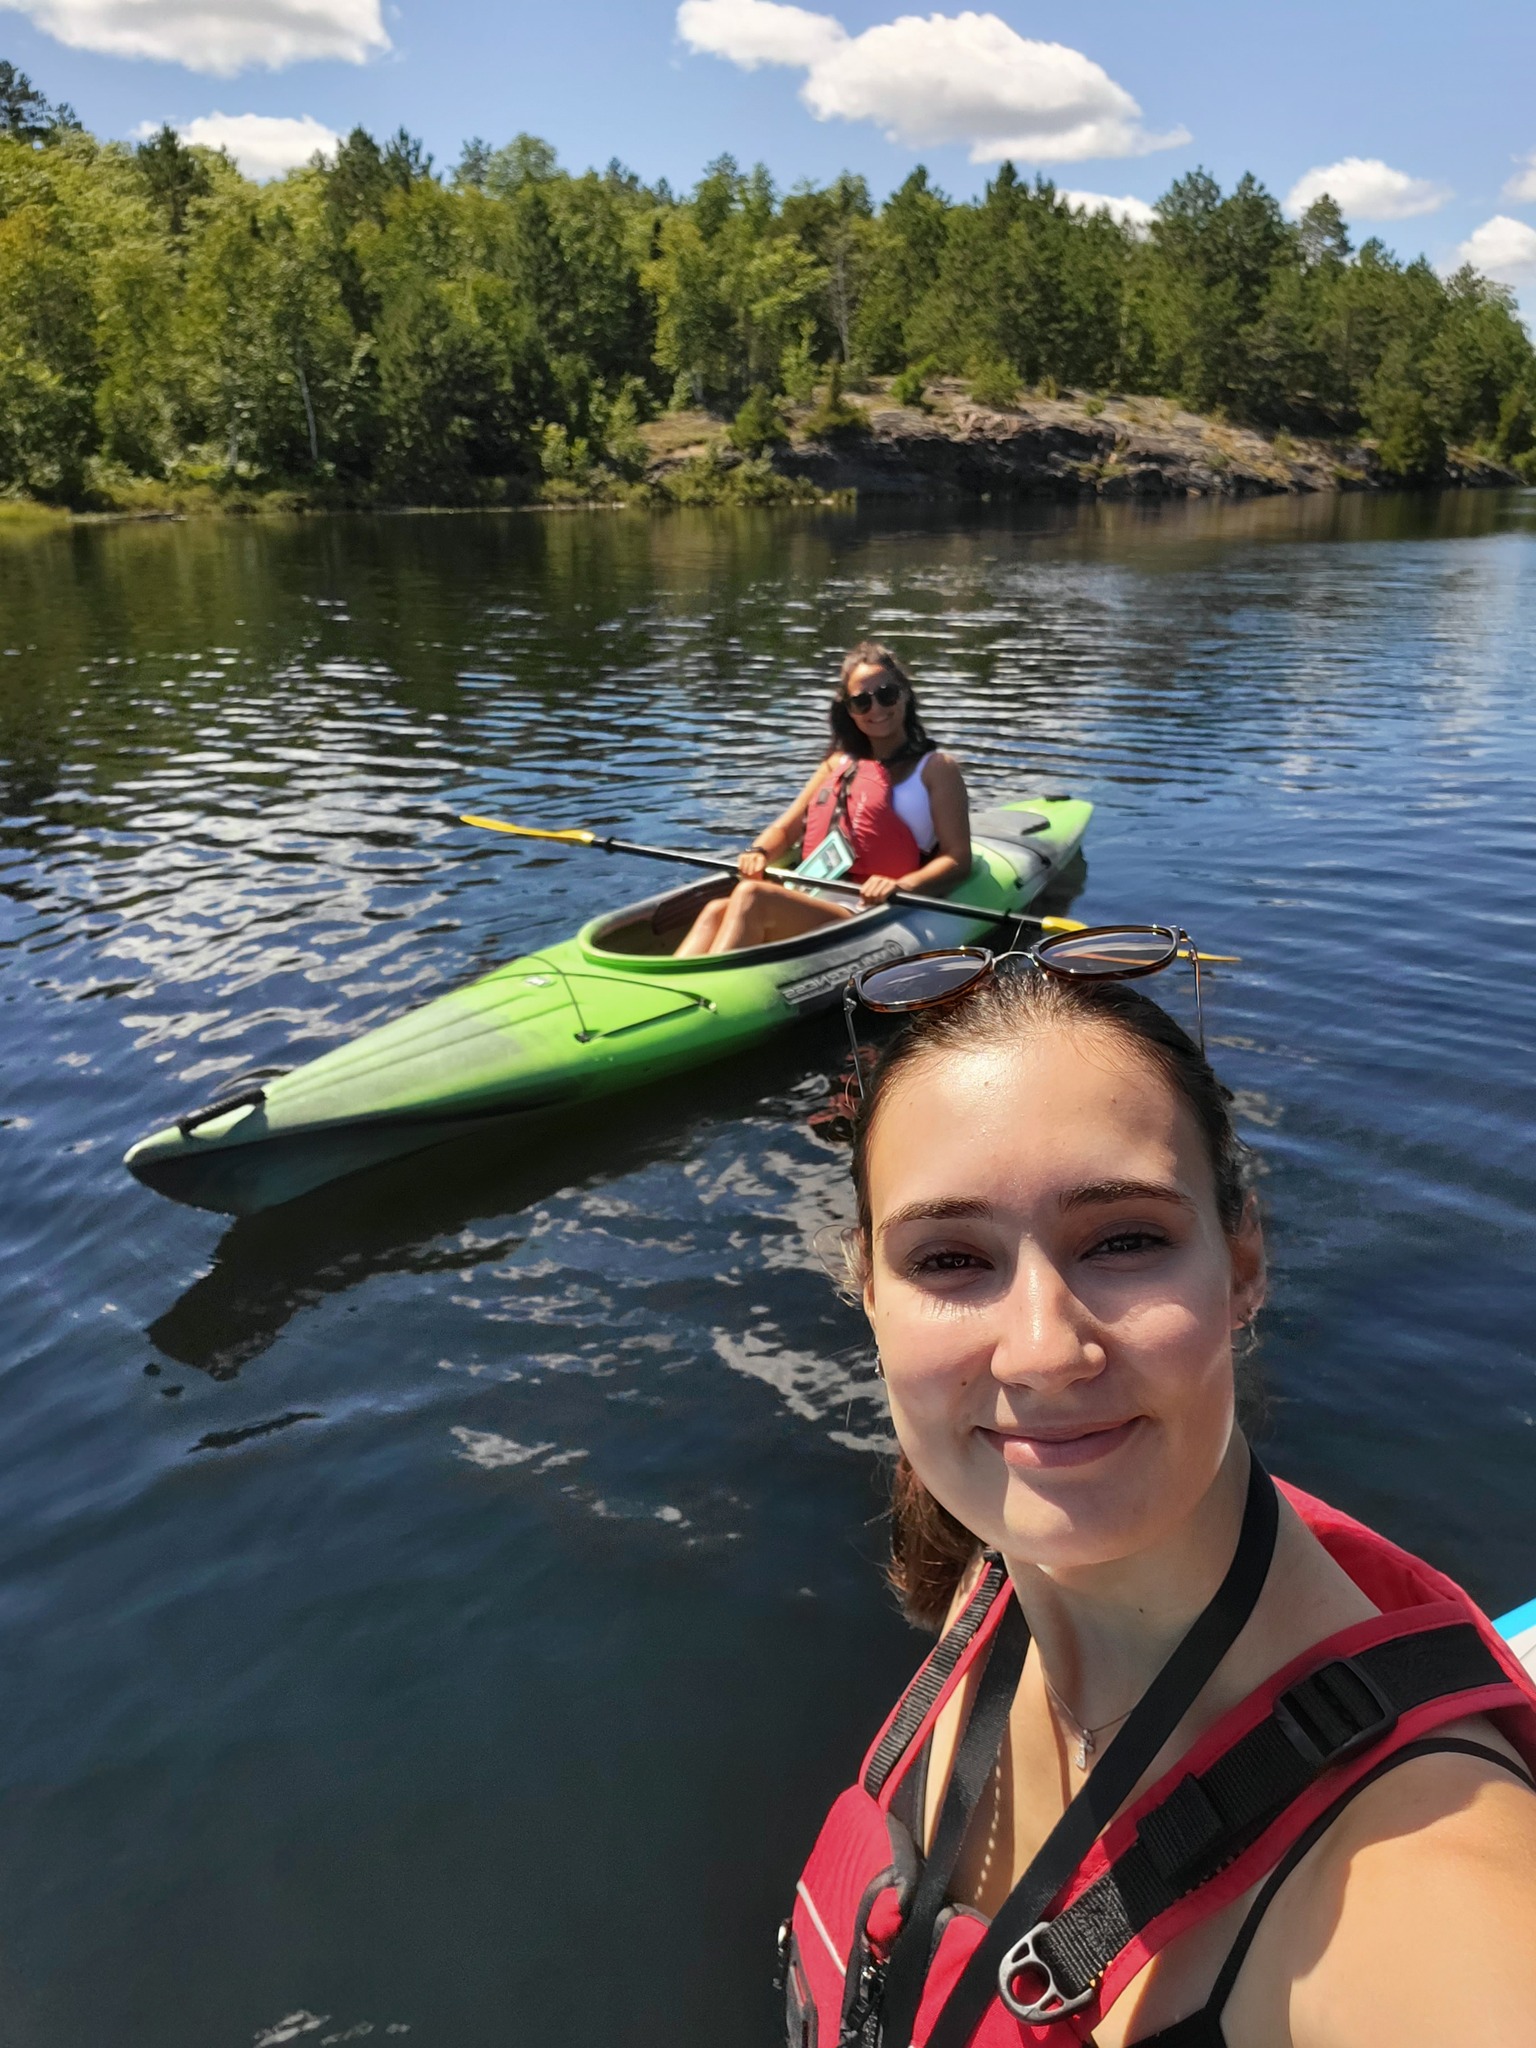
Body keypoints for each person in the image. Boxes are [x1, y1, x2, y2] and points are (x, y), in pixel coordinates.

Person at [784, 966, 1536, 2048]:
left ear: (1242, 1260)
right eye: (950, 1258)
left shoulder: (1415, 1884)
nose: (1043, 1350)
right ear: (868, 1290)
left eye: (1124, 1238)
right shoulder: (990, 1583)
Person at [673, 642, 971, 958]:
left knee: (752, 896)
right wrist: (758, 851)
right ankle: (672, 993)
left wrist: (903, 886)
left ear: (905, 695)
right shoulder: (837, 765)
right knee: (716, 910)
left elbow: (957, 858)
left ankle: (713, 993)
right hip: (815, 895)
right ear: (849, 710)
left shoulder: (936, 769)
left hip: (869, 911)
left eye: (886, 694)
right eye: (861, 702)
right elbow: (786, 829)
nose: (876, 709)